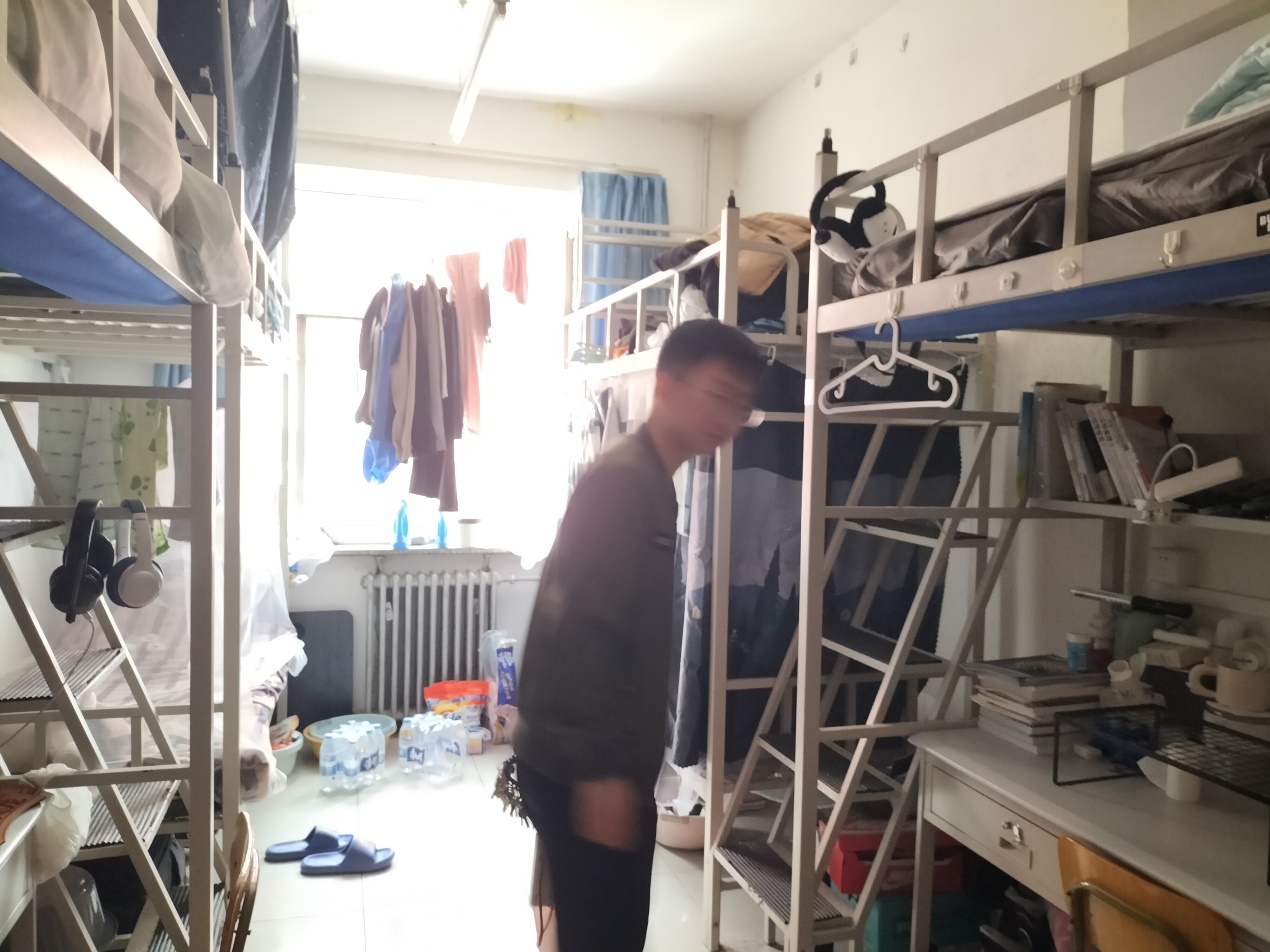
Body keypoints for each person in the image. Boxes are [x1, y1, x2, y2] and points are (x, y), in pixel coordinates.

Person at [511, 318, 764, 952]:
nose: (729, 418)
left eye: (740, 404)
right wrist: (601, 773)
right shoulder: (628, 482)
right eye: (718, 395)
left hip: (591, 764)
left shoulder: (650, 479)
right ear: (667, 387)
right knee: (608, 937)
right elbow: (572, 625)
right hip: (584, 770)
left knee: (598, 932)